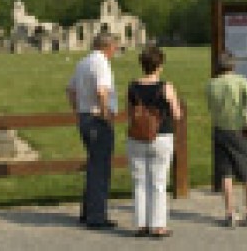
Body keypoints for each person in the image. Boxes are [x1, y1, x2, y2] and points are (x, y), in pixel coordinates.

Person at [126, 45, 182, 238]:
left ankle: (141, 224)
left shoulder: (132, 86)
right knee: (158, 182)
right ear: (159, 66)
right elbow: (176, 114)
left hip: (136, 137)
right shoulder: (166, 87)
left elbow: (130, 113)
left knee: (139, 181)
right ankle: (158, 225)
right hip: (161, 135)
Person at [65, 32, 120, 229]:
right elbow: (102, 90)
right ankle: (97, 216)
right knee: (100, 167)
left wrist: (78, 111)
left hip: (85, 117)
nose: (115, 51)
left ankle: (88, 211)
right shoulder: (102, 63)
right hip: (97, 118)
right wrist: (106, 114)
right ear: (107, 47)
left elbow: (70, 90)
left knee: (93, 164)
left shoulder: (83, 62)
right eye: (114, 47)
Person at [206, 50, 247, 228]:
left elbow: (211, 107)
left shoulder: (211, 84)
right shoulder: (241, 81)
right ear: (233, 65)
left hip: (220, 130)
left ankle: (230, 213)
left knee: (226, 173)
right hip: (240, 130)